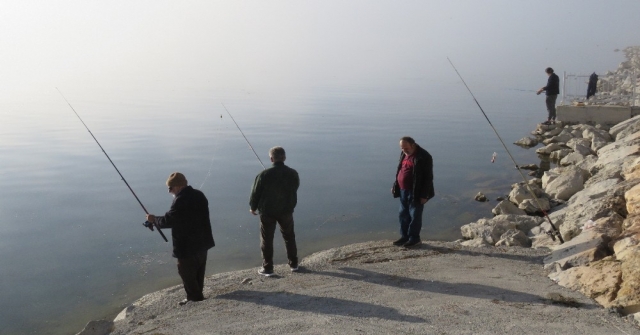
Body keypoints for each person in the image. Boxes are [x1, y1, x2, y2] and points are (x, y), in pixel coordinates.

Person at [146, 172, 215, 306]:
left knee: (186, 273)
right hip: (203, 242)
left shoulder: (180, 201)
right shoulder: (199, 195)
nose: (169, 191)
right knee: (199, 271)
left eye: (170, 188)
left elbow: (169, 220)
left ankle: (195, 300)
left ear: (178, 186)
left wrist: (153, 219)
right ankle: (197, 296)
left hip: (187, 246)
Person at [249, 146, 300, 277]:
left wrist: (253, 207)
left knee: (267, 240)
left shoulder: (263, 175)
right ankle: (294, 264)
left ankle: (268, 268)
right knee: (289, 237)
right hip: (286, 211)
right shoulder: (293, 173)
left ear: (271, 158)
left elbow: (255, 193)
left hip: (268, 212)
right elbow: (295, 187)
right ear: (284, 158)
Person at [391, 137, 434, 248]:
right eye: (402, 148)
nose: (404, 150)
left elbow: (428, 178)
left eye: (406, 147)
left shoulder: (424, 156)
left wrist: (424, 195)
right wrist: (395, 185)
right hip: (403, 190)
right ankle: (404, 236)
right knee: (403, 214)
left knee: (415, 216)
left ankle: (414, 238)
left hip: (416, 192)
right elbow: (400, 170)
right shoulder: (404, 154)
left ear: (413, 145)